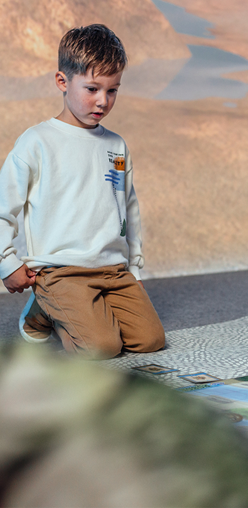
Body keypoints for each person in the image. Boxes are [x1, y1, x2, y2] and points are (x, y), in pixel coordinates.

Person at [0, 24, 165, 358]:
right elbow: (3, 207)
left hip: (113, 270)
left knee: (150, 341)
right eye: (92, 88)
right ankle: (42, 311)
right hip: (60, 271)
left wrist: (134, 268)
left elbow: (127, 210)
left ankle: (79, 309)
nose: (103, 101)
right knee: (102, 347)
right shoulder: (37, 142)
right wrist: (7, 262)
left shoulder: (116, 145)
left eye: (112, 90)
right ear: (63, 81)